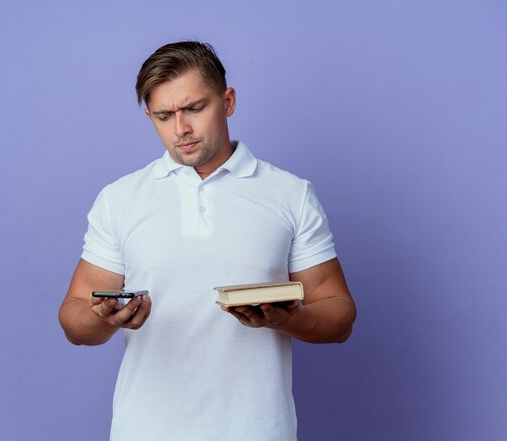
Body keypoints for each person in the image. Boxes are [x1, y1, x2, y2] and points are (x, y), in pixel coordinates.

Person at [59, 41, 356, 441]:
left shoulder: (290, 194)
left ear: (228, 101)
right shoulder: (120, 199)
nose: (180, 129)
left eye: (195, 109)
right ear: (149, 116)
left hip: (258, 431)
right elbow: (74, 318)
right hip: (145, 431)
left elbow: (339, 315)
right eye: (164, 116)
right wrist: (102, 319)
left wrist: (289, 318)